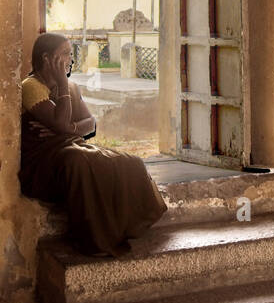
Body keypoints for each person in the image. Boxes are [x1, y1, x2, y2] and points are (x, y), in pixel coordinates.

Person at [19, 32, 167, 256]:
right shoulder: (31, 86)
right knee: (78, 161)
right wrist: (64, 116)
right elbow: (61, 122)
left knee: (128, 161)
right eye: (65, 54)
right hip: (43, 164)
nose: (70, 59)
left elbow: (89, 123)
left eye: (71, 53)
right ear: (47, 58)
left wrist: (69, 128)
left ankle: (131, 224)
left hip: (69, 144)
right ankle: (95, 239)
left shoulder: (70, 87)